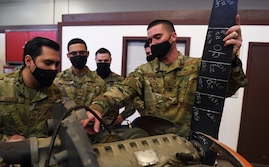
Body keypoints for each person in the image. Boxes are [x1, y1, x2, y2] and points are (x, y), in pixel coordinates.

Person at [82, 15, 248, 138]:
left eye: (157, 37)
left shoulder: (197, 67)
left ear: (173, 36)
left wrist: (231, 60)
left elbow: (226, 89)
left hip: (190, 144)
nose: (153, 43)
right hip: (153, 144)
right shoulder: (143, 72)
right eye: (150, 39)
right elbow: (120, 91)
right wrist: (97, 108)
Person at [0, 36, 62, 142]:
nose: (54, 69)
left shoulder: (55, 92)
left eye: (57, 64)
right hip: (3, 156)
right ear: (28, 61)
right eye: (48, 63)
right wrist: (5, 140)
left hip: (42, 156)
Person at [54, 38, 106, 107]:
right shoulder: (58, 80)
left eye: (81, 53)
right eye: (74, 53)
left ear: (87, 54)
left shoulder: (99, 82)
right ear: (68, 56)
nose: (78, 56)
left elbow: (103, 108)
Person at [95, 47, 136, 126]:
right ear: (95, 60)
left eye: (106, 61)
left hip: (112, 125)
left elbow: (132, 102)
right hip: (92, 124)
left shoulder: (119, 80)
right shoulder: (90, 79)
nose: (103, 63)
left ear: (110, 61)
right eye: (100, 61)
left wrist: (122, 116)